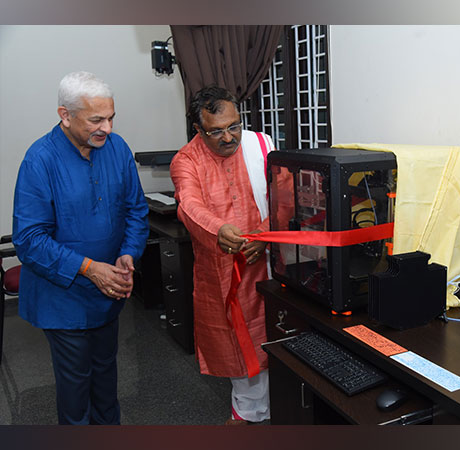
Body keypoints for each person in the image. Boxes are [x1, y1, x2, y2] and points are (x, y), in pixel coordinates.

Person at [12, 71, 149, 425]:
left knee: (106, 383)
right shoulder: (39, 160)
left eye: (111, 117)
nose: (107, 127)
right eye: (96, 119)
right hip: (64, 297)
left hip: (109, 291)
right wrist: (90, 268)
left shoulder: (116, 149)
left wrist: (128, 254)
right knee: (76, 393)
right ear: (65, 115)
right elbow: (29, 241)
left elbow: (135, 209)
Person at [170, 86, 275, 425]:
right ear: (198, 131)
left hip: (270, 261)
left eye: (234, 126)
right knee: (240, 342)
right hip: (224, 269)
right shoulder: (186, 160)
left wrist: (265, 231)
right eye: (216, 131)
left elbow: (284, 191)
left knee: (279, 331)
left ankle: (281, 407)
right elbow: (189, 205)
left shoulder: (261, 145)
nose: (229, 137)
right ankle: (247, 412)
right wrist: (218, 231)